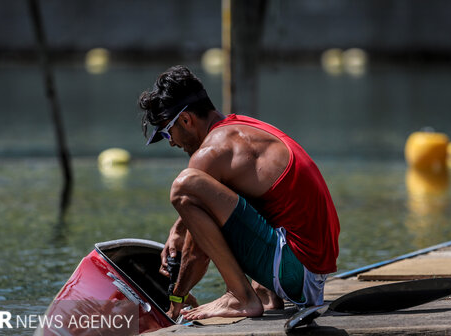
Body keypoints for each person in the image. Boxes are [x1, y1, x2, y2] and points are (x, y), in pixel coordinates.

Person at [138, 65, 340, 320]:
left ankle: (240, 297)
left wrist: (176, 298)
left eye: (168, 132)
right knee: (214, 193)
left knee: (184, 185)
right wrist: (178, 229)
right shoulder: (239, 131)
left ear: (187, 120)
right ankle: (264, 293)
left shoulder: (210, 152)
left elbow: (196, 252)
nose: (171, 142)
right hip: (310, 270)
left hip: (297, 275)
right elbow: (218, 205)